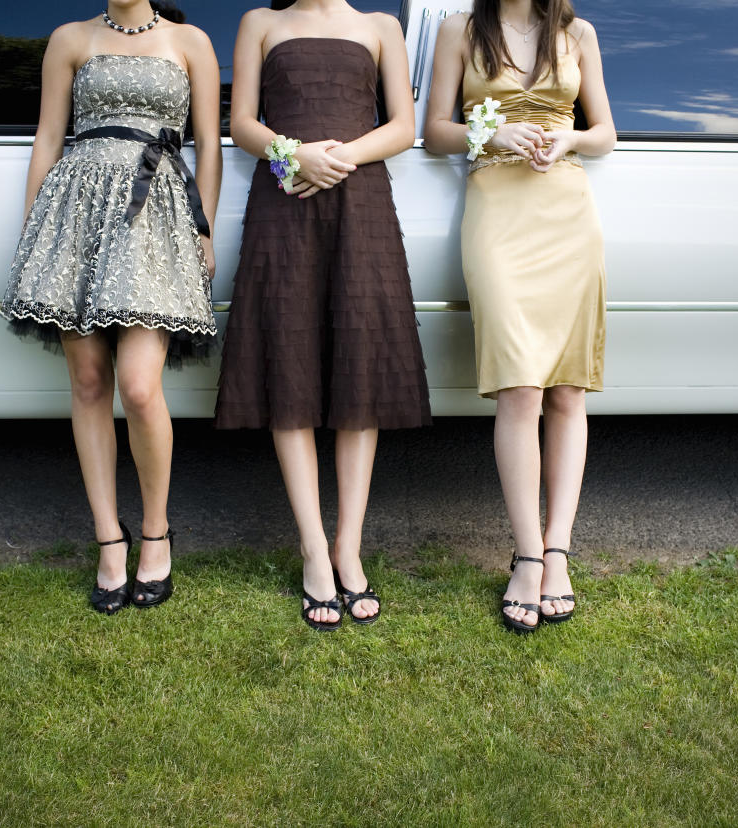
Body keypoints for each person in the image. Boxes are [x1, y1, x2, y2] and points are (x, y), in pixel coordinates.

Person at [214, 0, 431, 631]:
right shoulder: (260, 23)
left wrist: (339, 158)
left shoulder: (380, 26)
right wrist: (294, 155)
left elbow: (403, 127)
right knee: (291, 361)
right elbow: (243, 123)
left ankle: (349, 547)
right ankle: (313, 549)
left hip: (360, 201)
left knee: (358, 364)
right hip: (284, 199)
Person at [0, 0, 222, 614]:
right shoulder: (70, 39)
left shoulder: (190, 41)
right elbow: (49, 137)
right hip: (77, 212)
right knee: (90, 382)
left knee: (141, 386)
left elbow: (210, 146)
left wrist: (204, 228)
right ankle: (109, 540)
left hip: (157, 218)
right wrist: (34, 229)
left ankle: (156, 532)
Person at [424, 0, 615, 633]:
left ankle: (556, 550)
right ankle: (526, 554)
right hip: (496, 205)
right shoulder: (460, 27)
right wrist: (492, 133)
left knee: (567, 390)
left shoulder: (577, 32)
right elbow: (434, 130)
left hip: (565, 203)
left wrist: (572, 137)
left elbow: (605, 133)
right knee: (520, 387)